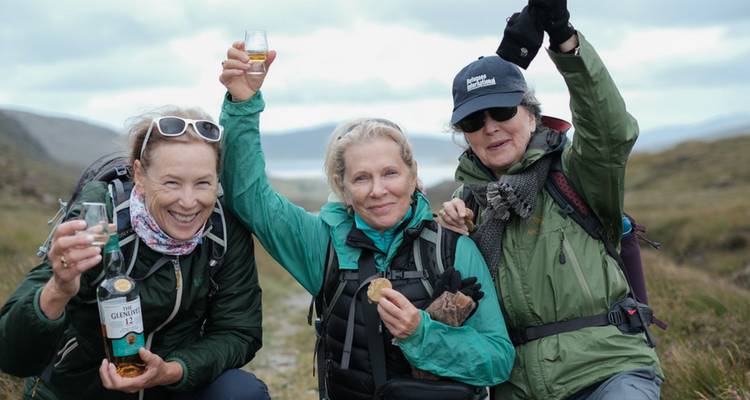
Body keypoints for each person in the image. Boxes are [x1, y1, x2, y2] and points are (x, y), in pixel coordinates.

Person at [218, 43, 515, 400]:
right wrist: (242, 104)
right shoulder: (322, 243)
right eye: (361, 178)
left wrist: (421, 333)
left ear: (412, 175)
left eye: (390, 173)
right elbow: (249, 198)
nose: (378, 190)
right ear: (343, 187)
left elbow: (498, 361)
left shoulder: (453, 248)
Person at [436, 1, 663, 399]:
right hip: (514, 385)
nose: (490, 128)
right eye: (473, 121)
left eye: (502, 110)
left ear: (531, 114)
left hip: (608, 370)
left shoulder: (576, 173)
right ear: (464, 134)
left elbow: (610, 131)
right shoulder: (465, 205)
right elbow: (454, 313)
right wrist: (451, 244)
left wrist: (563, 39)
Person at [0, 108, 269, 400]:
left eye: (203, 183)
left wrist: (173, 370)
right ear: (139, 175)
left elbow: (239, 332)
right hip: (84, 389)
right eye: (172, 182)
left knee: (243, 393)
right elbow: (13, 358)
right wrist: (58, 289)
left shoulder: (222, 231)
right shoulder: (101, 221)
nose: (189, 202)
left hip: (168, 387)